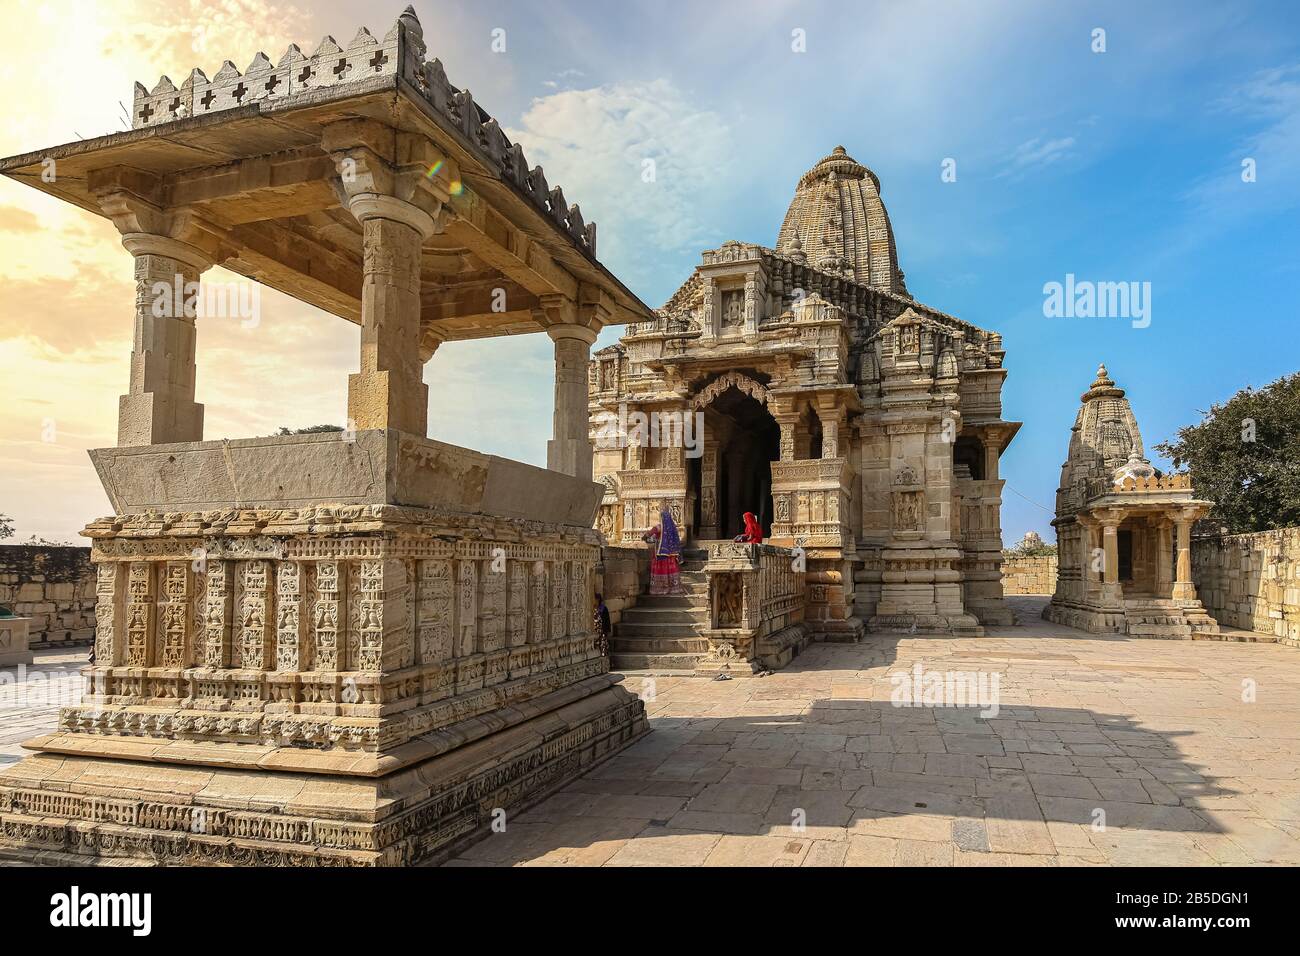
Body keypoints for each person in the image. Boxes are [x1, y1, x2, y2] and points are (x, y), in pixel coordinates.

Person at [642, 502, 684, 595]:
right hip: (672, 555)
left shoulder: (659, 527)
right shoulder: (673, 528)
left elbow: (649, 534)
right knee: (671, 570)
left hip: (660, 554)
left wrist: (645, 537)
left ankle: (660, 589)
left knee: (661, 569)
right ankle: (674, 588)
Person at [593, 593, 611, 657]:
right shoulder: (592, 608)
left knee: (603, 646)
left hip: (602, 630)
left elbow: (607, 620)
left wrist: (607, 631)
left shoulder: (603, 608)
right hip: (594, 631)